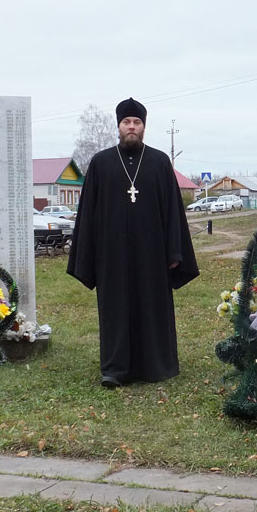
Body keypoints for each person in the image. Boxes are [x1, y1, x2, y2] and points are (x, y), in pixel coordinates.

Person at [67, 98, 199, 388]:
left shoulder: (160, 162)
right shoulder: (100, 163)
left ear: (144, 127)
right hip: (110, 254)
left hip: (152, 252)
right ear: (118, 126)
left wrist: (174, 251)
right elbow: (88, 212)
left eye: (136, 122)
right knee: (115, 308)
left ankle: (156, 366)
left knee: (152, 304)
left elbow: (173, 211)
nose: (131, 127)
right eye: (126, 122)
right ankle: (115, 369)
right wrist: (87, 255)